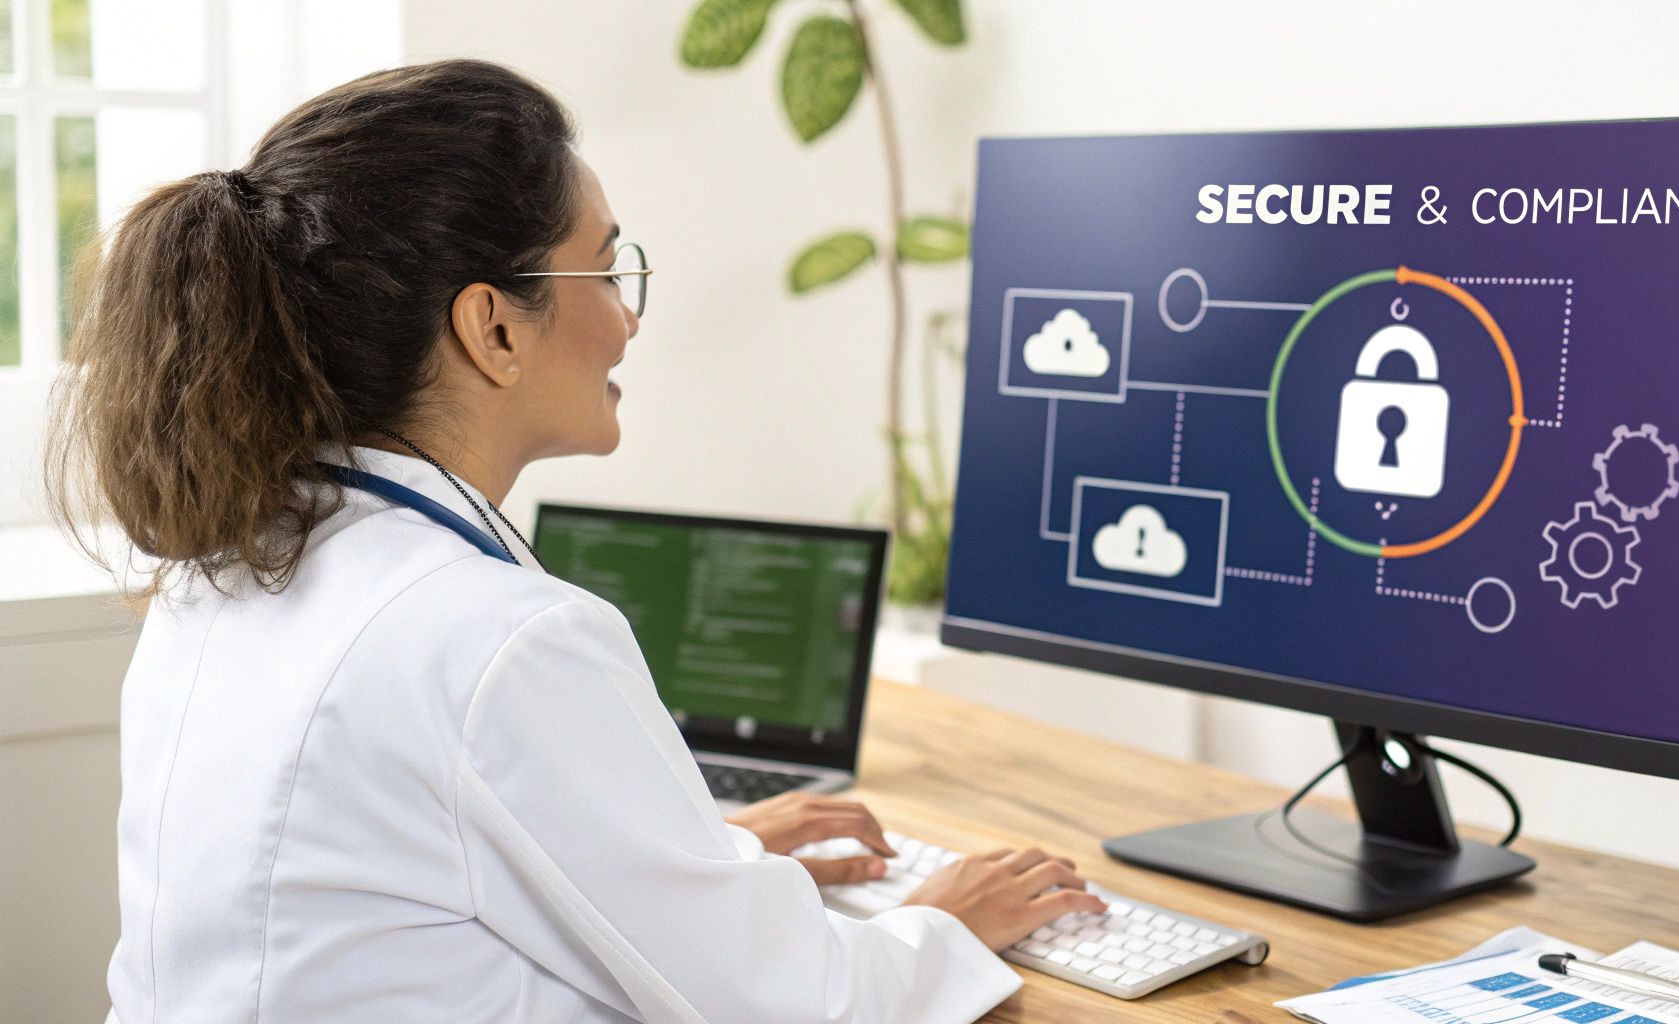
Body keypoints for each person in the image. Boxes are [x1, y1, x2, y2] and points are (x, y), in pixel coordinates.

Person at [45, 59, 1107, 1023]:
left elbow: (398, 884)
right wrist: (947, 923)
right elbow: (795, 1008)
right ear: (493, 329)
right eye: (604, 271)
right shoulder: (498, 638)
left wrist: (712, 861)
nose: (629, 320)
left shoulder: (224, 568)